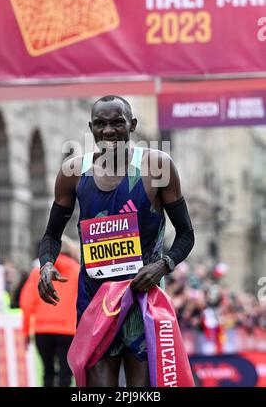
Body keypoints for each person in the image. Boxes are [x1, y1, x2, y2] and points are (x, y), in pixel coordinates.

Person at [37, 95, 195, 387]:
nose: (108, 130)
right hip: (96, 305)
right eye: (100, 124)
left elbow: (186, 234)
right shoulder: (74, 172)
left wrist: (164, 265)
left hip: (143, 301)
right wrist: (46, 265)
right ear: (91, 127)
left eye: (117, 123)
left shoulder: (156, 167)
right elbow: (51, 236)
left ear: (132, 125)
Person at [20, 237, 79, 387]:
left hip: (42, 330)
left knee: (48, 372)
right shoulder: (77, 270)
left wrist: (26, 331)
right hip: (68, 331)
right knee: (66, 374)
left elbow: (26, 303)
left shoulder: (37, 273)